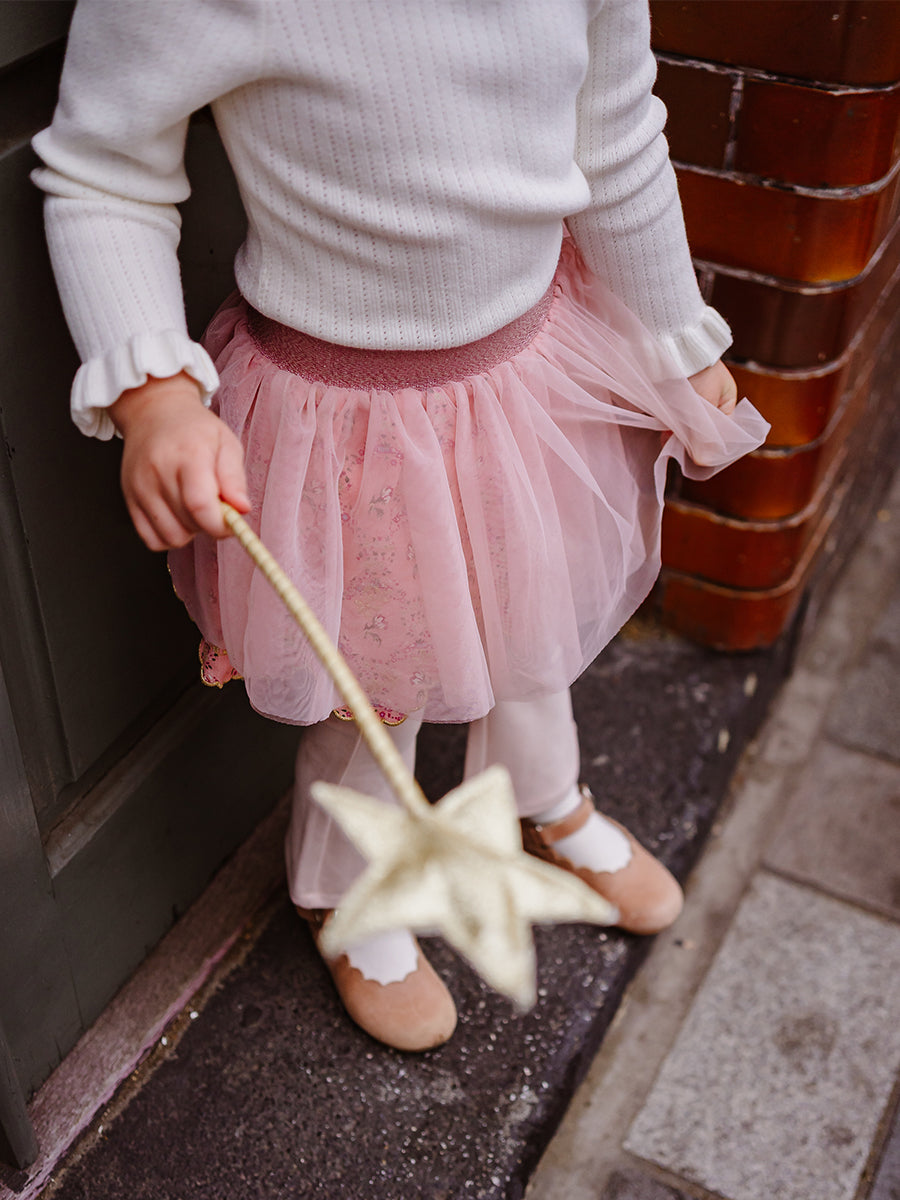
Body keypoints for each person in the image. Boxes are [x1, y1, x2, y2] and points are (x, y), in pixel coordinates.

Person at [33, 0, 768, 1052]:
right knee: (375, 673)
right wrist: (154, 394)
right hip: (350, 415)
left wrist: (671, 327)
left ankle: (538, 794)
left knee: (527, 594)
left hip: (525, 370)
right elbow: (107, 169)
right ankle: (348, 884)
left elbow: (613, 129)